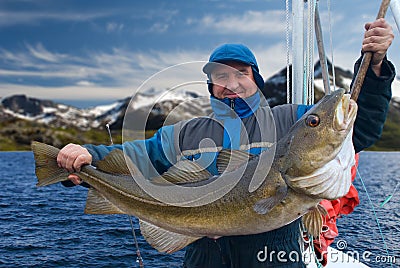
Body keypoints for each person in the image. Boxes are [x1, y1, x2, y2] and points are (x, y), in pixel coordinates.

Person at [57, 18, 395, 267]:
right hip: (203, 258)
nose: (230, 83)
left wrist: (375, 65)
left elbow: (357, 128)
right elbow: (136, 156)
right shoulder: (186, 133)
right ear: (210, 86)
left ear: (255, 79)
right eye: (220, 76)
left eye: (240, 74)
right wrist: (89, 157)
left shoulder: (290, 119)